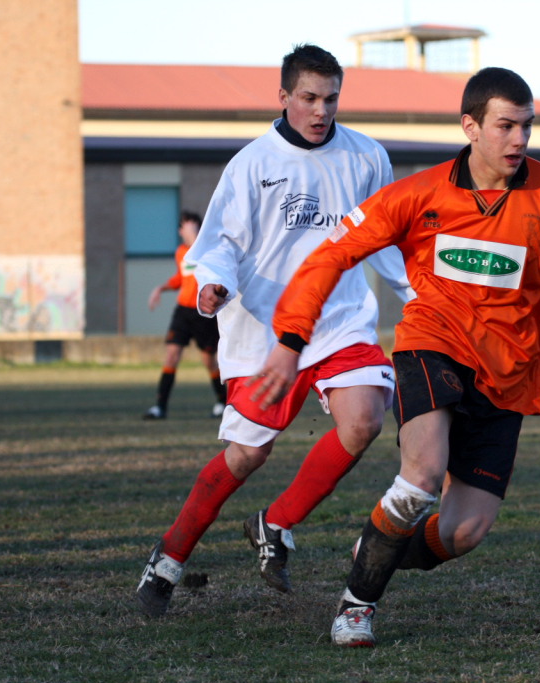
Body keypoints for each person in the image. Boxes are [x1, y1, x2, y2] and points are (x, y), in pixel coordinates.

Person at [254, 67, 540, 647]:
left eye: (527, 127)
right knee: (422, 474)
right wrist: (291, 340)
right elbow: (331, 256)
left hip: (510, 372)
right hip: (432, 342)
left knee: (464, 532)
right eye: (506, 126)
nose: (519, 140)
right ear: (471, 126)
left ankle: (378, 548)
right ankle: (357, 606)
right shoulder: (419, 195)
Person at [135, 44, 414, 617]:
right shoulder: (251, 164)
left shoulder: (366, 157)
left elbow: (385, 238)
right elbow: (218, 246)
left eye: (331, 99)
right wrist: (212, 283)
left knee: (364, 419)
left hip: (338, 321)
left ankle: (276, 523)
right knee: (246, 456)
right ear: (283, 96)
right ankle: (169, 556)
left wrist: (418, 293)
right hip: (264, 332)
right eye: (308, 98)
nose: (321, 111)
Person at [143, 210, 228, 420]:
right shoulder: (181, 252)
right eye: (181, 227)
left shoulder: (208, 248)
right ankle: (160, 407)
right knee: (171, 355)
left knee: (209, 360)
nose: (182, 231)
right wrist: (160, 288)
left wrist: (195, 238)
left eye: (185, 226)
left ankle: (222, 402)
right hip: (183, 311)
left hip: (203, 313)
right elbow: (182, 278)